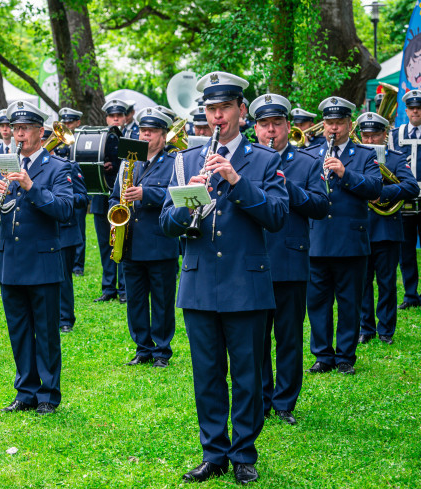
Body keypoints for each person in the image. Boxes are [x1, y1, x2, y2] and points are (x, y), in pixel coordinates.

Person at [160, 71, 288, 484]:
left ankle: (244, 452)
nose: (217, 117)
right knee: (207, 373)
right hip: (198, 282)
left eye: (224, 109)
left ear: (241, 111)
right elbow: (166, 222)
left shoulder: (266, 160)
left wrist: (236, 181)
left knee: (248, 374)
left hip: (245, 282)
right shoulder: (185, 160)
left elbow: (277, 216)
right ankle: (213, 452)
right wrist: (187, 202)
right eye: (211, 110)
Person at [0, 100, 73, 415]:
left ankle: (48, 394)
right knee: (19, 329)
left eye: (25, 128)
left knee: (46, 331)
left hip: (42, 261)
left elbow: (65, 210)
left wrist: (32, 186)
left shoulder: (57, 167)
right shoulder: (4, 164)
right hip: (9, 258)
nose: (19, 134)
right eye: (15, 128)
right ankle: (26, 391)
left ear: (40, 132)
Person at [249, 94, 329, 425]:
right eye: (264, 125)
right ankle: (262, 398)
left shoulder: (307, 162)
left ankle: (284, 402)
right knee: (255, 337)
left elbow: (322, 207)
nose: (271, 131)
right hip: (253, 259)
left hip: (290, 260)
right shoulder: (246, 161)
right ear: (255, 128)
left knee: (289, 336)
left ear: (288, 126)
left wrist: (291, 189)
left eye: (277, 124)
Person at [305, 96, 382, 375]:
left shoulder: (364, 155)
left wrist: (345, 172)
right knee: (318, 302)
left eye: (339, 123)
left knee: (350, 301)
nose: (333, 129)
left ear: (350, 124)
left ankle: (345, 356)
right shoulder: (312, 153)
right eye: (329, 123)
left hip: (350, 241)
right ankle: (322, 355)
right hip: (317, 239)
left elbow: (375, 188)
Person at [110, 107, 179, 367]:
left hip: (160, 242)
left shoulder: (174, 162)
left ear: (163, 136)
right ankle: (142, 348)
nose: (146, 135)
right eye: (143, 131)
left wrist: (146, 194)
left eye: (152, 132)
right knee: (136, 299)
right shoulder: (129, 161)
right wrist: (113, 216)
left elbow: (177, 197)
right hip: (131, 242)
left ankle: (162, 350)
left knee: (162, 300)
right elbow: (114, 196)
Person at [358, 112, 419, 345]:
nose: (370, 140)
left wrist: (382, 193)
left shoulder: (394, 158)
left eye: (375, 135)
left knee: (386, 282)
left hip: (386, 228)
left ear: (385, 135)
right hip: (361, 228)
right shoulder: (354, 159)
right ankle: (366, 328)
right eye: (366, 135)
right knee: (363, 282)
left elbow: (412, 187)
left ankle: (386, 329)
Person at [93, 99, 128, 303]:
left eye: (119, 115)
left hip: (122, 197)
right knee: (105, 244)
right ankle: (108, 288)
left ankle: (123, 288)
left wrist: (113, 165)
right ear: (107, 118)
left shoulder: (131, 137)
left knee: (121, 242)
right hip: (101, 196)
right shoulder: (100, 139)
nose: (115, 119)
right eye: (112, 116)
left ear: (125, 117)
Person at [389, 90, 421, 309]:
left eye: (418, 108)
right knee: (406, 250)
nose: (415, 111)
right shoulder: (394, 134)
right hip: (404, 201)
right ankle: (410, 295)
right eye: (412, 108)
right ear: (406, 110)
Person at [57, 107, 87, 276]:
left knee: (78, 226)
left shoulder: (81, 141)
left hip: (75, 186)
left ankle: (77, 263)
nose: (67, 125)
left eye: (70, 122)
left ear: (77, 123)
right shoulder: (60, 144)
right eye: (64, 122)